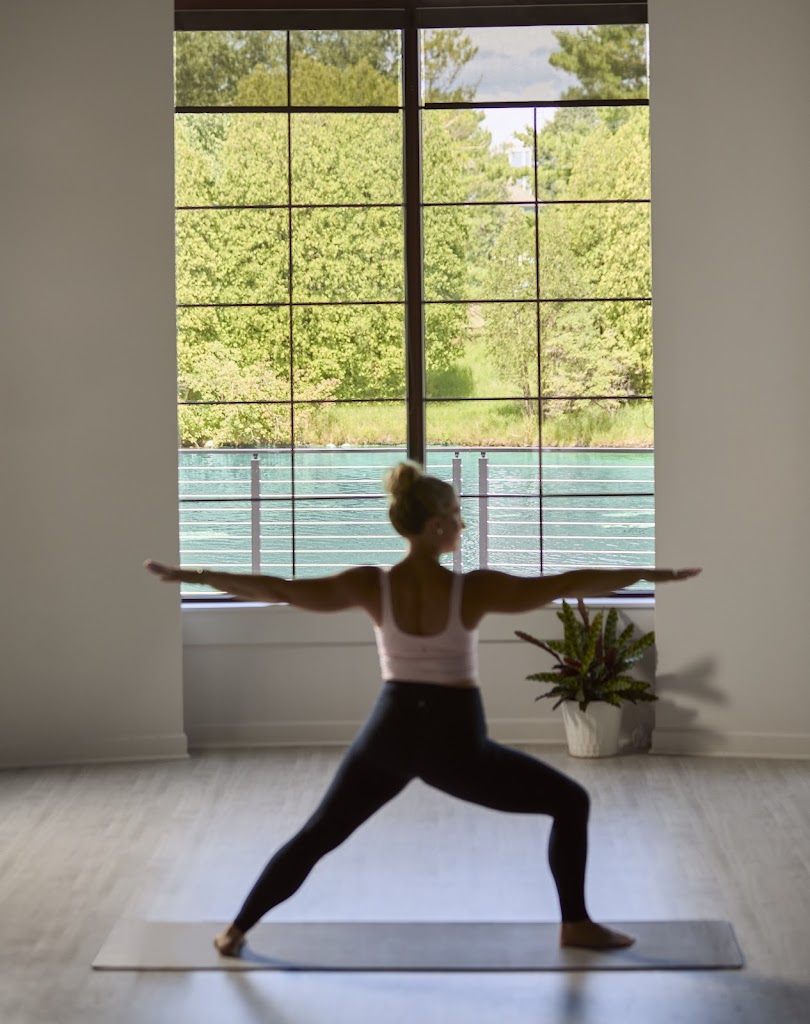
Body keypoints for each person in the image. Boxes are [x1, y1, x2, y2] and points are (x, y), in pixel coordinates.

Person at [145, 460, 700, 957]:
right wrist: (650, 576)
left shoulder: (370, 584)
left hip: (388, 732)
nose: (463, 524)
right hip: (453, 741)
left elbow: (283, 590)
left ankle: (235, 930)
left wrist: (195, 576)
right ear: (436, 527)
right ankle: (576, 924)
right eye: (457, 515)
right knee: (570, 801)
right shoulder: (473, 590)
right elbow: (565, 582)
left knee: (318, 835)